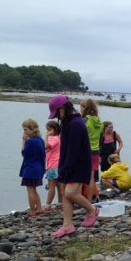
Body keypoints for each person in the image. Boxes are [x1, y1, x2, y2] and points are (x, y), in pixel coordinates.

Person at [48, 95, 99, 238]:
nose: (57, 117)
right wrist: (62, 166)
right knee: (65, 194)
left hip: (78, 164)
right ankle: (67, 225)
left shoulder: (76, 123)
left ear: (63, 108)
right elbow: (66, 148)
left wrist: (66, 167)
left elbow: (74, 150)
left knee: (70, 193)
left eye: (57, 113)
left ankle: (91, 210)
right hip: (68, 163)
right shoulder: (68, 122)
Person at [20, 119, 46, 217]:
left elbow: (24, 154)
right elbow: (43, 155)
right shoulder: (40, 140)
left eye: (26, 130)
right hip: (38, 168)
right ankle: (39, 208)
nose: (24, 132)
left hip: (30, 169)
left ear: (32, 130)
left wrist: (23, 142)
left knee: (30, 190)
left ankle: (32, 210)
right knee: (34, 190)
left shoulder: (30, 142)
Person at [80, 99, 103, 203]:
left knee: (80, 176)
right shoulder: (99, 121)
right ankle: (91, 199)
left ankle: (82, 199)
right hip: (96, 151)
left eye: (81, 107)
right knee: (91, 177)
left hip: (85, 150)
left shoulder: (85, 121)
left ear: (85, 108)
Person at [44, 120, 63, 208]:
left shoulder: (55, 139)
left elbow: (45, 146)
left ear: (54, 130)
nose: (48, 132)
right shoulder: (57, 138)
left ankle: (48, 204)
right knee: (58, 185)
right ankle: (60, 202)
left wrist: (46, 136)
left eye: (49, 130)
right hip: (57, 164)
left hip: (53, 164)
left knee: (51, 185)